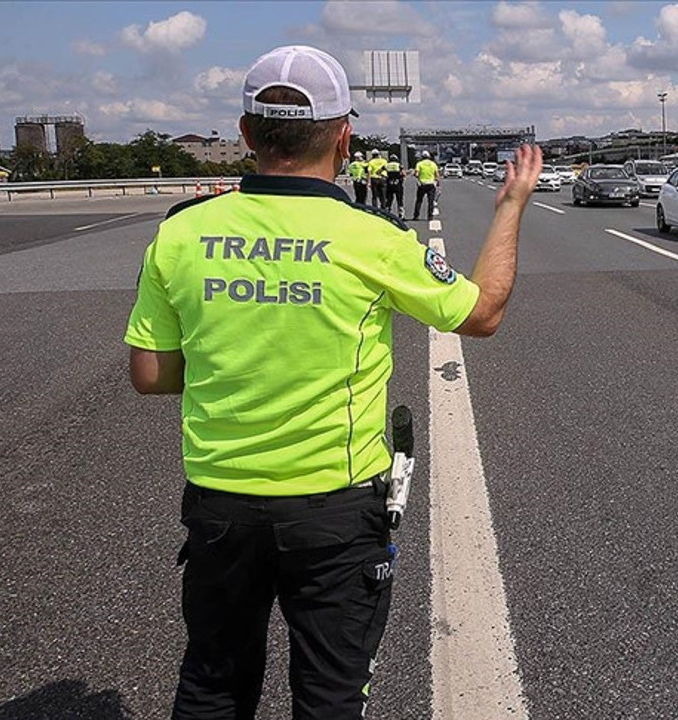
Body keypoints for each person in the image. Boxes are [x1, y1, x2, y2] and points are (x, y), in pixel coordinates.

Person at [124, 44, 542, 719]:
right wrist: (512, 205)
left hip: (220, 504)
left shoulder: (182, 233)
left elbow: (149, 374)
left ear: (245, 133)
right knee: (329, 696)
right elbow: (482, 311)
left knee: (212, 683)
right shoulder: (372, 238)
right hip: (334, 509)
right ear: (344, 136)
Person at [412, 150, 439, 221]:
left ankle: (416, 216)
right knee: (430, 201)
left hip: (422, 184)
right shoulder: (433, 164)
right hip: (431, 184)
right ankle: (430, 217)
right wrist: (438, 182)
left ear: (422, 157)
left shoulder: (419, 164)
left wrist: (418, 177)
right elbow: (437, 175)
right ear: (429, 157)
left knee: (419, 200)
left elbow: (416, 174)